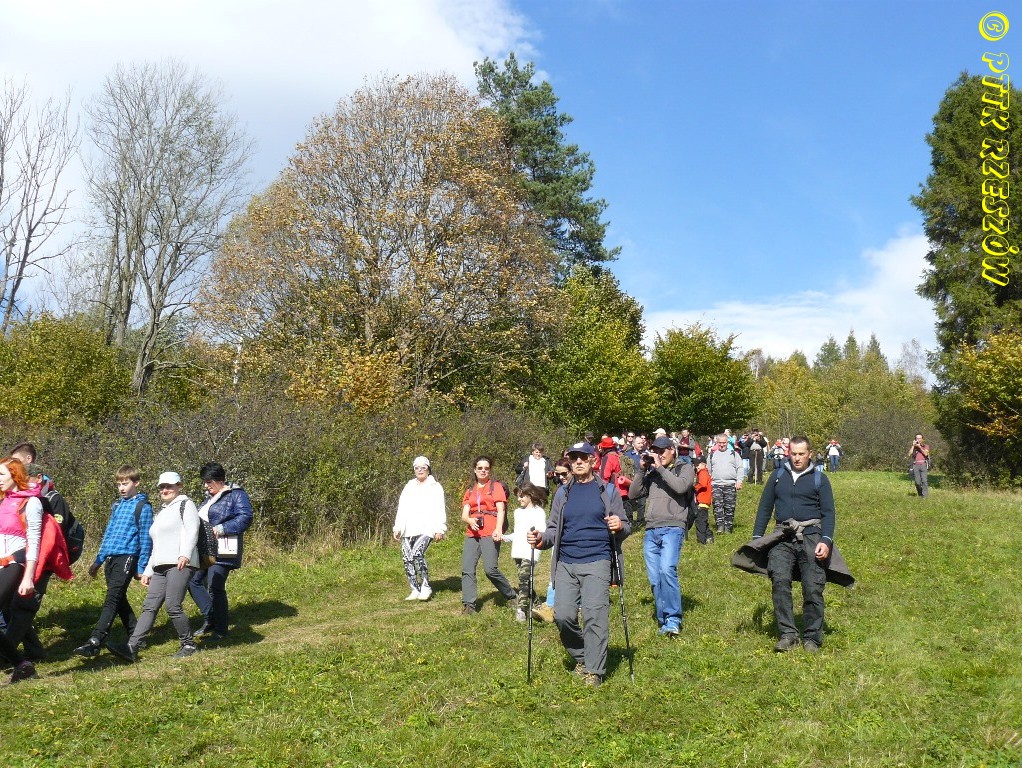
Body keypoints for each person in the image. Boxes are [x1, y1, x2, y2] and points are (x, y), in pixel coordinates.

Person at [528, 441, 630, 688]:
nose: (579, 462)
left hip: (598, 559)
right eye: (574, 458)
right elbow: (553, 529)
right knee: (562, 616)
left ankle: (594, 670)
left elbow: (626, 526)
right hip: (566, 562)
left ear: (593, 460)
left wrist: (619, 525)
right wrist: (541, 539)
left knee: (595, 616)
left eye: (583, 457)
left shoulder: (607, 491)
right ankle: (583, 656)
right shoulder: (563, 493)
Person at [752, 436, 835, 653]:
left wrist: (826, 540)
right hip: (782, 535)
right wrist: (757, 539)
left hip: (811, 536)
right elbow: (765, 507)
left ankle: (812, 638)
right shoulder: (778, 476)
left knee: (813, 587)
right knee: (779, 581)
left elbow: (828, 513)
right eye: (793, 453)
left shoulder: (820, 479)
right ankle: (788, 634)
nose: (797, 458)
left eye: (801, 454)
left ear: (809, 454)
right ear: (788, 453)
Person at [108, 471, 200, 662]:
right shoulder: (162, 512)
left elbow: (192, 531)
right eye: (162, 487)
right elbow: (156, 545)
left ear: (179, 486)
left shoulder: (186, 504)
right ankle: (132, 647)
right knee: (149, 607)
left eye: (169, 486)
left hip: (179, 564)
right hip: (159, 566)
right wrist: (148, 570)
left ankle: (188, 644)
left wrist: (185, 554)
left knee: (173, 605)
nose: (165, 490)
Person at [72, 465, 154, 659]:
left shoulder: (143, 507)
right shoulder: (117, 506)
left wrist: (141, 567)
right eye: (119, 484)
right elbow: (108, 534)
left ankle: (95, 641)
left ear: (136, 483)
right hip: (111, 558)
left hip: (128, 557)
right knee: (119, 598)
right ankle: (137, 634)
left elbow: (146, 539)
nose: (121, 488)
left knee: (112, 598)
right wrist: (98, 560)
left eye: (125, 484)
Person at [627, 435, 693, 636]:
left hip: (673, 527)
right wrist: (641, 470)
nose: (659, 455)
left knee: (666, 570)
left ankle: (673, 619)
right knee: (655, 578)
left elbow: (681, 487)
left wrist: (661, 469)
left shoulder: (684, 467)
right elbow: (633, 494)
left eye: (662, 451)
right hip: (651, 529)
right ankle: (663, 619)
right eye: (655, 451)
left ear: (672, 450)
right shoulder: (653, 472)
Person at [188, 462, 254, 642]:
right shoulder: (209, 498)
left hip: (224, 548)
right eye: (205, 482)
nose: (206, 486)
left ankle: (221, 630)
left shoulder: (236, 494)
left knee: (215, 587)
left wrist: (222, 528)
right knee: (192, 581)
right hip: (205, 549)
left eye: (209, 482)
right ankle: (211, 617)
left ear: (220, 480)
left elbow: (246, 517)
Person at [0, 457, 44, 683]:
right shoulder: (2, 500)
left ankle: (22, 664)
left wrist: (28, 577)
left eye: (1, 475)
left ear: (15, 475)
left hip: (15, 564)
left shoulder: (31, 502)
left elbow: (34, 542)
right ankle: (22, 665)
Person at [460, 457, 516, 614]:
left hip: (490, 531)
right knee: (467, 568)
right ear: (475, 470)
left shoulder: (495, 486)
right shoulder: (470, 490)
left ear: (489, 470)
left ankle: (511, 595)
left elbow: (501, 510)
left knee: (490, 569)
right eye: (480, 468)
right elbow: (464, 514)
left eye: (486, 468)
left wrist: (498, 529)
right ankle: (469, 605)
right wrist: (470, 520)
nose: (483, 471)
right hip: (472, 533)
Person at [392, 456, 446, 601]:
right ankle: (415, 588)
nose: (420, 470)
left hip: (427, 528)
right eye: (417, 468)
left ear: (428, 469)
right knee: (406, 558)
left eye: (423, 467)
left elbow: (440, 508)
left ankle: (426, 586)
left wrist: (440, 529)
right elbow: (402, 508)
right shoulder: (409, 486)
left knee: (417, 554)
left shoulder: (435, 487)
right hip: (408, 528)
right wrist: (397, 527)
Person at [532, 459, 571, 623]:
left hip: (575, 540)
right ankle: (550, 604)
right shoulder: (560, 491)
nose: (561, 477)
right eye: (558, 474)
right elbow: (554, 519)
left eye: (564, 474)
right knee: (554, 570)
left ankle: (564, 605)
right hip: (558, 536)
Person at [506, 481, 547, 622]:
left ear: (530, 495)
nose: (519, 499)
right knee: (526, 581)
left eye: (522, 496)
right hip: (518, 551)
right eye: (518, 496)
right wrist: (504, 537)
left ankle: (521, 610)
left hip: (531, 551)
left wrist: (536, 540)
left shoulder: (538, 512)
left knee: (523, 579)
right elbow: (517, 533)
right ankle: (538, 605)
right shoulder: (517, 512)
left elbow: (542, 532)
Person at [708, 434, 744, 534]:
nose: (722, 445)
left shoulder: (734, 454)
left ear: (727, 443)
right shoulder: (712, 455)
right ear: (717, 443)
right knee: (717, 506)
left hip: (730, 484)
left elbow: (740, 468)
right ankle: (720, 526)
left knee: (729, 507)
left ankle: (728, 527)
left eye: (724, 443)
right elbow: (708, 470)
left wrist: (739, 481)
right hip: (716, 484)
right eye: (720, 443)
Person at [692, 459, 714, 545]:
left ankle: (701, 541)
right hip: (704, 501)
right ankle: (709, 537)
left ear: (703, 464)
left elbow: (703, 484)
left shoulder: (703, 472)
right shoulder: (703, 472)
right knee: (703, 521)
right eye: (695, 465)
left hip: (702, 501)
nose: (696, 466)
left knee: (700, 522)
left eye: (698, 465)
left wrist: (694, 487)